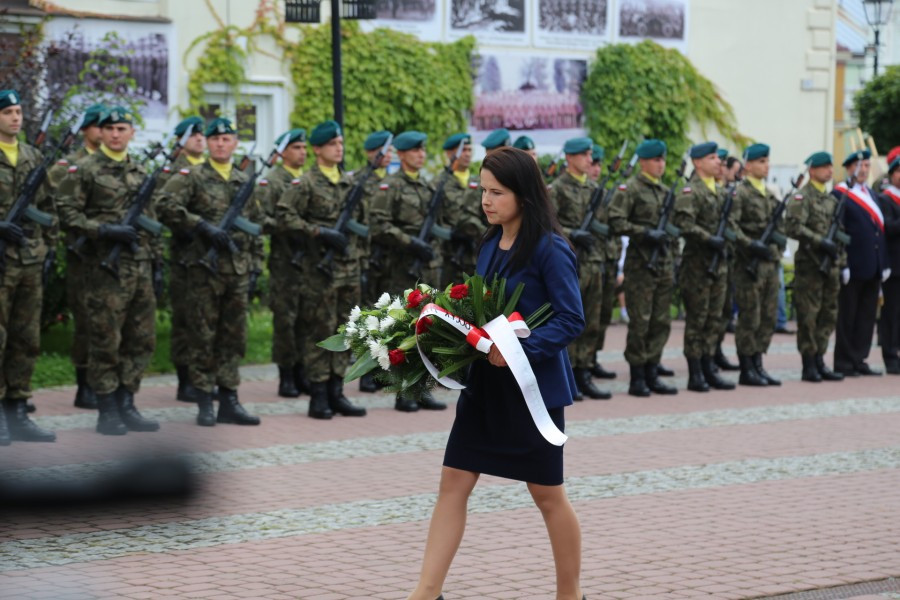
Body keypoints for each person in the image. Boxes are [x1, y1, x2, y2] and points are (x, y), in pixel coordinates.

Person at [407, 146, 585, 600]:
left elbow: (571, 319)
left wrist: (520, 350)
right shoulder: (489, 242)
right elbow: (480, 309)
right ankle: (426, 592)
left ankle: (570, 594)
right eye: (483, 190)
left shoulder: (550, 249)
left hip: (531, 390)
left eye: (497, 192)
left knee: (548, 495)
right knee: (453, 482)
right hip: (485, 387)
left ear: (524, 194)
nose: (486, 201)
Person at [57, 106, 160, 435]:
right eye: (110, 128)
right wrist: (103, 230)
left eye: (122, 128)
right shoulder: (84, 170)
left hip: (139, 266)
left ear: (132, 133)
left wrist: (156, 263)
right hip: (104, 269)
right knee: (105, 339)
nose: (116, 134)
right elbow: (66, 213)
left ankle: (127, 401)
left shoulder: (140, 171)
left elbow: (152, 221)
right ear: (100, 133)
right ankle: (107, 409)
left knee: (141, 338)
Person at [157, 117, 263, 426]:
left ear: (234, 143)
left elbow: (255, 226)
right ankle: (204, 400)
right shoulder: (192, 176)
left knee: (234, 337)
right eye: (215, 138)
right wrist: (200, 225)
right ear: (208, 143)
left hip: (237, 270)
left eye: (226, 139)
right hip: (204, 270)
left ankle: (229, 399)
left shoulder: (243, 180)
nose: (220, 143)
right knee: (202, 335)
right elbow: (164, 205)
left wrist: (255, 266)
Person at [274, 120, 367, 419]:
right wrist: (318, 232)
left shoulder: (350, 184)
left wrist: (361, 260)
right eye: (332, 144)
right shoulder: (305, 183)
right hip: (319, 272)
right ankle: (318, 394)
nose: (338, 148)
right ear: (317, 149)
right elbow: (284, 216)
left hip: (348, 269)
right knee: (320, 331)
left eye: (340, 143)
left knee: (346, 330)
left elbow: (363, 226)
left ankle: (337, 391)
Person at [370, 130, 448, 412]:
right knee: (403, 330)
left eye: (423, 150)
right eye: (415, 150)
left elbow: (441, 224)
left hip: (428, 266)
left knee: (429, 327)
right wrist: (410, 242)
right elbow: (379, 225)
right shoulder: (390, 186)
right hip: (403, 268)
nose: (421, 154)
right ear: (401, 154)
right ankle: (403, 390)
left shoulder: (428, 187)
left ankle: (423, 388)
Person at [0, 89, 57, 444]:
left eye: (19, 111)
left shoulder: (33, 156)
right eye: (8, 112)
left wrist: (49, 249)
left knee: (26, 338)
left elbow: (48, 207)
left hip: (29, 259)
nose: (15, 118)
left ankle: (18, 411)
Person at [47, 102, 105, 410]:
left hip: (112, 255)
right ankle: (85, 385)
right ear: (86, 130)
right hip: (82, 253)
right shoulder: (68, 165)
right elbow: (49, 203)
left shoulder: (116, 163)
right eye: (98, 126)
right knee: (85, 320)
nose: (104, 132)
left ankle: (106, 383)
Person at [608, 139, 678, 396]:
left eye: (663, 160)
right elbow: (615, 220)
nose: (661, 164)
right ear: (644, 162)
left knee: (661, 321)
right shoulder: (631, 189)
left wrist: (674, 255)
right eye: (656, 160)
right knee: (641, 321)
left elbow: (672, 228)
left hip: (663, 264)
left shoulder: (666, 191)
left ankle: (652, 369)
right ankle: (637, 376)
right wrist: (645, 233)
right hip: (640, 266)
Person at [549, 136, 610, 399]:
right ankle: (569, 374)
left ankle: (585, 372)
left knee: (592, 320)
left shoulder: (595, 189)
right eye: (584, 155)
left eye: (590, 155)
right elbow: (549, 224)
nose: (589, 159)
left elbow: (606, 225)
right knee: (570, 319)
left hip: (594, 260)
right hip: (569, 263)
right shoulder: (557, 189)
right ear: (569, 158)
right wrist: (574, 233)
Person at [672, 141, 735, 392]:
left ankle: (709, 367)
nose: (719, 162)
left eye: (718, 158)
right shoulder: (691, 191)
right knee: (697, 320)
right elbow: (684, 224)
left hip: (718, 265)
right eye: (712, 158)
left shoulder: (720, 191)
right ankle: (695, 372)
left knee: (714, 319)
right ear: (698, 163)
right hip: (698, 266)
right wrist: (709, 239)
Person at [156, 115, 207, 402]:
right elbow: (162, 209)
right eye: (193, 135)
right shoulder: (172, 172)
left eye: (202, 134)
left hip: (213, 256)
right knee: (186, 319)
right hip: (186, 255)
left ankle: (206, 376)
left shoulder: (213, 168)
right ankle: (185, 379)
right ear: (180, 140)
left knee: (208, 318)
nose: (199, 138)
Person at [784, 151, 845, 382]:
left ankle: (820, 358)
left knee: (828, 313)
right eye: (824, 167)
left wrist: (840, 259)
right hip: (810, 265)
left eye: (831, 166)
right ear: (812, 170)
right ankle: (808, 363)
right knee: (809, 315)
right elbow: (793, 227)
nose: (829, 171)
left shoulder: (831, 200)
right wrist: (820, 241)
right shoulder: (802, 197)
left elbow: (840, 234)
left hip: (831, 266)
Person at [263, 127, 311, 399]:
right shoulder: (273, 181)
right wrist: (290, 227)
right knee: (286, 320)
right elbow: (262, 219)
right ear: (282, 153)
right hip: (285, 262)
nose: (302, 152)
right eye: (296, 148)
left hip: (309, 261)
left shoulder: (307, 179)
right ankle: (286, 375)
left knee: (306, 318)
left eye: (304, 148)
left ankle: (303, 371)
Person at [730, 143, 783, 386]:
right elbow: (732, 227)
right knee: (750, 316)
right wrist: (751, 245)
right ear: (748, 166)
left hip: (769, 263)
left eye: (767, 161)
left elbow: (780, 228)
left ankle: (758, 363)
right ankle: (746, 367)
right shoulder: (740, 193)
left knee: (768, 317)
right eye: (761, 162)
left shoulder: (770, 195)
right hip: (748, 264)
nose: (766, 166)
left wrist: (776, 250)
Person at [833, 149, 889, 376]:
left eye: (866, 165)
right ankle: (844, 361)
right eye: (859, 166)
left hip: (873, 265)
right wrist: (843, 264)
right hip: (853, 264)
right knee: (848, 316)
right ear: (849, 168)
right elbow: (838, 231)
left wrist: (884, 262)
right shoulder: (841, 194)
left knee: (866, 317)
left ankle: (859, 358)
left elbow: (879, 232)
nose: (863, 170)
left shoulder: (873, 195)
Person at [357, 129, 393, 394]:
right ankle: (366, 372)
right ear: (370, 153)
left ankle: (386, 369)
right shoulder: (358, 180)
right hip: (367, 255)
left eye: (390, 150)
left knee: (390, 315)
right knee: (369, 316)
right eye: (383, 150)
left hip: (391, 257)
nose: (387, 155)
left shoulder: (393, 182)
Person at [587, 144, 618, 381]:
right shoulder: (581, 192)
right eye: (593, 164)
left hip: (606, 259)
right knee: (587, 316)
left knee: (603, 314)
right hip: (587, 260)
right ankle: (580, 364)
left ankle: (592, 358)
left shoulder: (603, 193)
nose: (596, 169)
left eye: (599, 165)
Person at [440, 133, 484, 288]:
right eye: (463, 150)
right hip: (451, 258)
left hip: (477, 255)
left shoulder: (480, 182)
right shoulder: (438, 183)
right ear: (449, 153)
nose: (467, 154)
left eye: (469, 150)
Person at [877, 156, 900, 374]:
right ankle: (890, 356)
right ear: (892, 174)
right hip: (894, 266)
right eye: (899, 171)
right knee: (891, 314)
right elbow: (888, 227)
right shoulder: (885, 199)